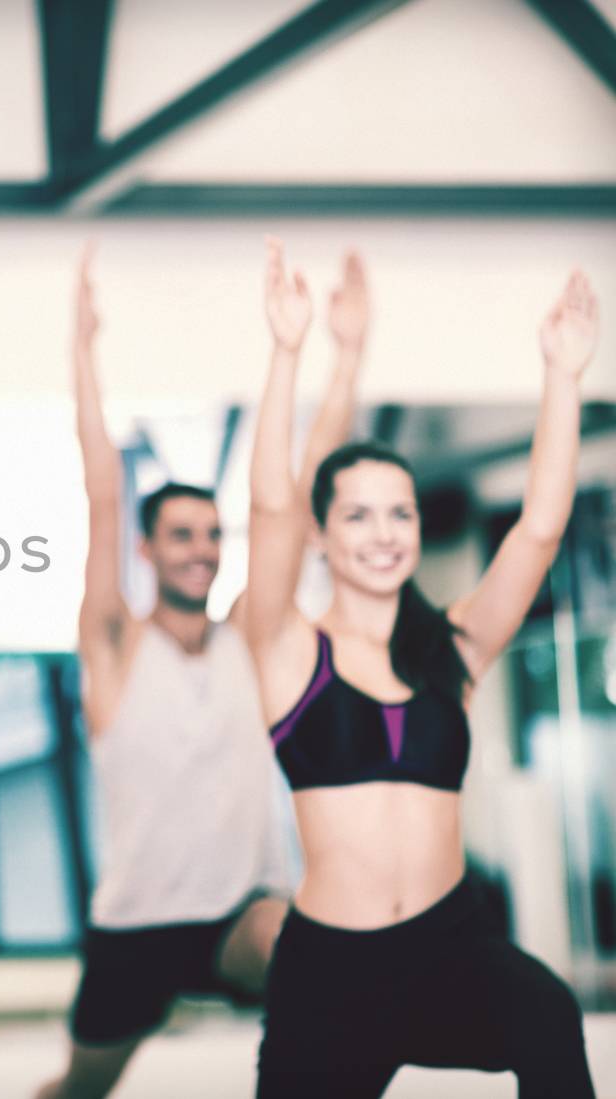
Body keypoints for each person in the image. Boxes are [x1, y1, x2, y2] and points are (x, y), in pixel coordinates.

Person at [245, 238, 598, 1098]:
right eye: (358, 515)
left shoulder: (455, 648)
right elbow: (269, 508)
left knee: (546, 1012)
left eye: (398, 512)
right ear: (323, 536)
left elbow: (540, 531)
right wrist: (289, 352)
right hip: (330, 973)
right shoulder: (288, 649)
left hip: (451, 945)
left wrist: (562, 375)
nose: (384, 531)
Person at [39, 246, 368, 1099]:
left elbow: (294, 503)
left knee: (315, 946)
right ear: (149, 549)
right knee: (75, 1093)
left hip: (237, 914)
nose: (202, 549)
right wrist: (82, 351)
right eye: (182, 534)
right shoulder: (114, 644)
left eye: (212, 533)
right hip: (135, 926)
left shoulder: (247, 642)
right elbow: (102, 487)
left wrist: (341, 357)